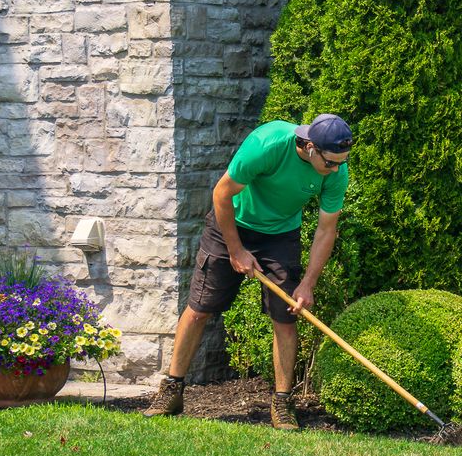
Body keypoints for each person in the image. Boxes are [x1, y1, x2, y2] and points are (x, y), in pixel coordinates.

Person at [143, 114, 352, 430]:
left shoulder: (336, 170)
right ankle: (171, 390)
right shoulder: (266, 144)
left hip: (280, 234)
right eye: (331, 162)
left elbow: (326, 230)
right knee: (200, 309)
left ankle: (282, 403)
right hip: (232, 221)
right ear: (310, 147)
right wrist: (236, 249)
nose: (336, 169)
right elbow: (221, 194)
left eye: (341, 162)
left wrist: (308, 283)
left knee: (286, 317)